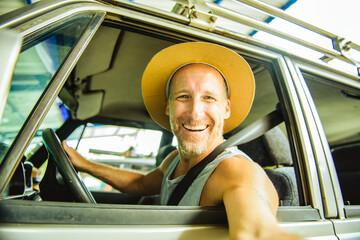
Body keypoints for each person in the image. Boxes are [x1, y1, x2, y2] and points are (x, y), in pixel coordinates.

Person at [62, 42, 302, 240]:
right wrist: (84, 164)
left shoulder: (237, 171)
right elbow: (141, 184)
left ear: (226, 108)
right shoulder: (174, 160)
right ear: (168, 106)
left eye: (209, 98)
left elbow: (259, 230)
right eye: (183, 97)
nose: (195, 112)